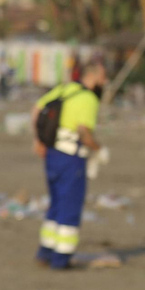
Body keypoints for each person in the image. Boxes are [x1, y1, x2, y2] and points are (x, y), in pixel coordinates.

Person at [31, 61, 106, 269]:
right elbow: (84, 132)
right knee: (70, 206)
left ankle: (45, 253)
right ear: (95, 77)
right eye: (103, 77)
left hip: (52, 154)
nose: (105, 82)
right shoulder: (88, 98)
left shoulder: (64, 88)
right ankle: (61, 259)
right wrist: (99, 149)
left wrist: (38, 140)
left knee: (55, 203)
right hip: (71, 157)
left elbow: (36, 109)